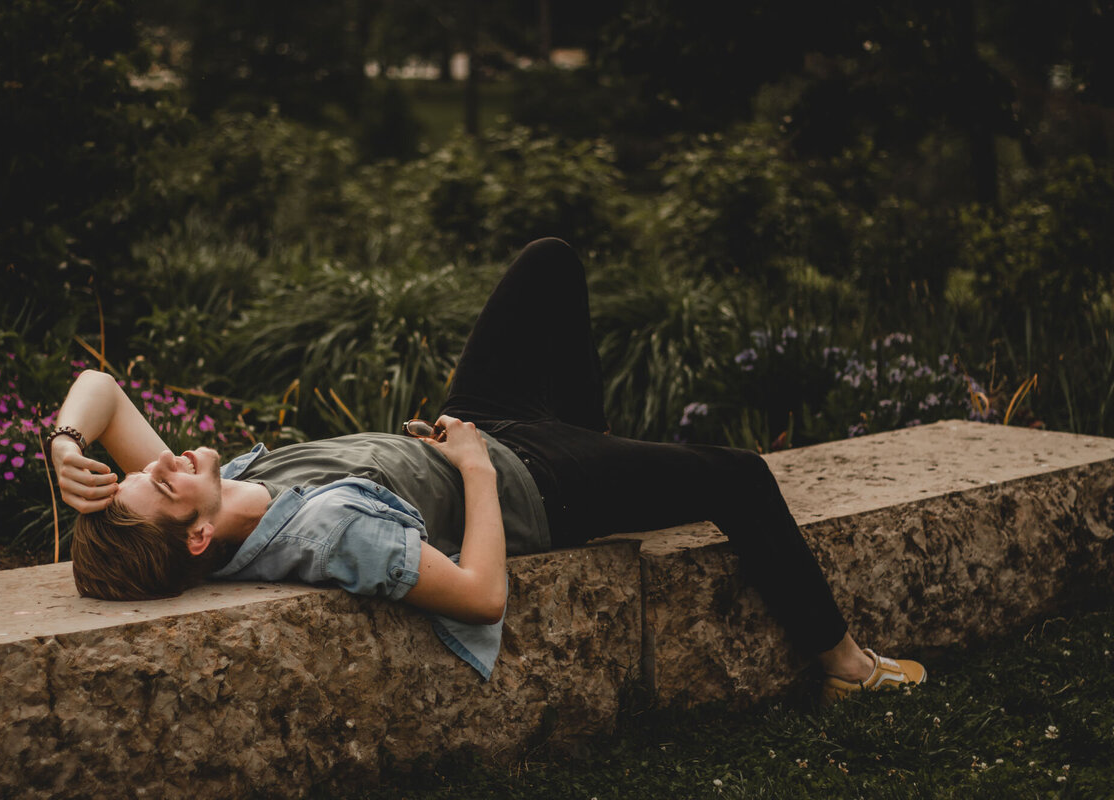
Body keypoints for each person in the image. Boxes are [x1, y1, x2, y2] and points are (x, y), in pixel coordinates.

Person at [52, 238, 925, 699]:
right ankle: (846, 667)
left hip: (491, 428)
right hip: (533, 483)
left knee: (550, 262)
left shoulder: (212, 494)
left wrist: (64, 446)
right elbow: (481, 595)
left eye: (147, 467)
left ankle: (616, 456)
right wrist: (470, 466)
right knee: (737, 475)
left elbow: (100, 388)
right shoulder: (329, 534)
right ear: (199, 535)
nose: (162, 461)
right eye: (159, 482)